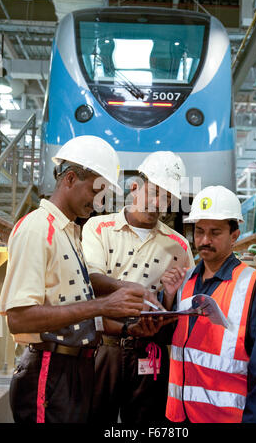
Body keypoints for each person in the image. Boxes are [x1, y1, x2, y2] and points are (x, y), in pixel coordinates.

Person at [0, 135, 146, 424]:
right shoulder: (37, 229)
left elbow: (70, 301)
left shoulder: (70, 231)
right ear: (69, 178)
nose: (99, 202)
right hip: (48, 371)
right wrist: (102, 306)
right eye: (95, 190)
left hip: (73, 371)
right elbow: (18, 318)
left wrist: (124, 310)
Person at [81, 151, 195, 425]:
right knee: (94, 416)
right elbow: (90, 280)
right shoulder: (98, 228)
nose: (159, 204)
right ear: (135, 187)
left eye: (168, 198)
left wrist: (169, 294)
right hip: (104, 348)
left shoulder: (178, 245)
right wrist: (136, 290)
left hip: (151, 351)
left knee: (148, 423)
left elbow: (181, 305)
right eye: (154, 193)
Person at [162, 185, 256, 423]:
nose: (204, 240)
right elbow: (170, 340)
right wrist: (168, 298)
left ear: (234, 235)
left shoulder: (252, 286)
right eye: (199, 231)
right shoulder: (185, 282)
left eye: (215, 232)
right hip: (180, 416)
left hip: (224, 418)